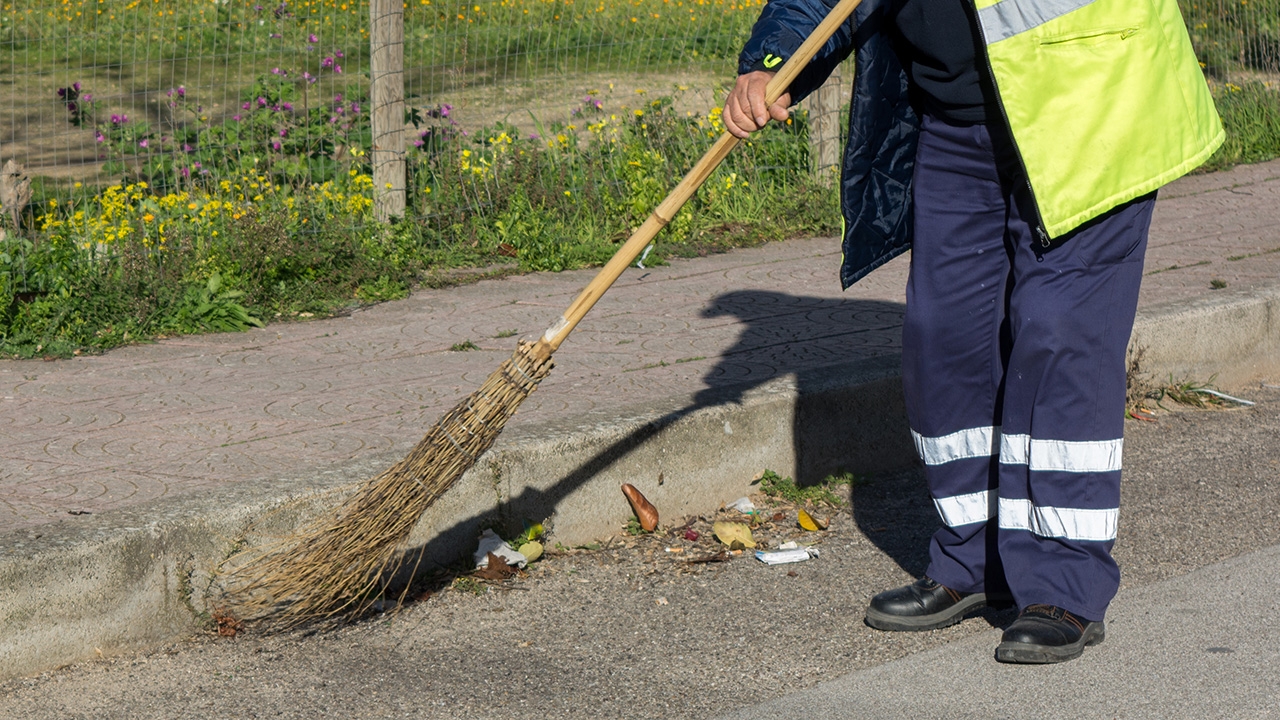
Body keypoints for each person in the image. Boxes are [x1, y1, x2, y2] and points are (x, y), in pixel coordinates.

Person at [724, 0, 1223, 663]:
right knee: (943, 341)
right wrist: (770, 63)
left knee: (1058, 337)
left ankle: (1062, 583)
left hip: (1091, 105)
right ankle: (974, 559)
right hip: (958, 121)